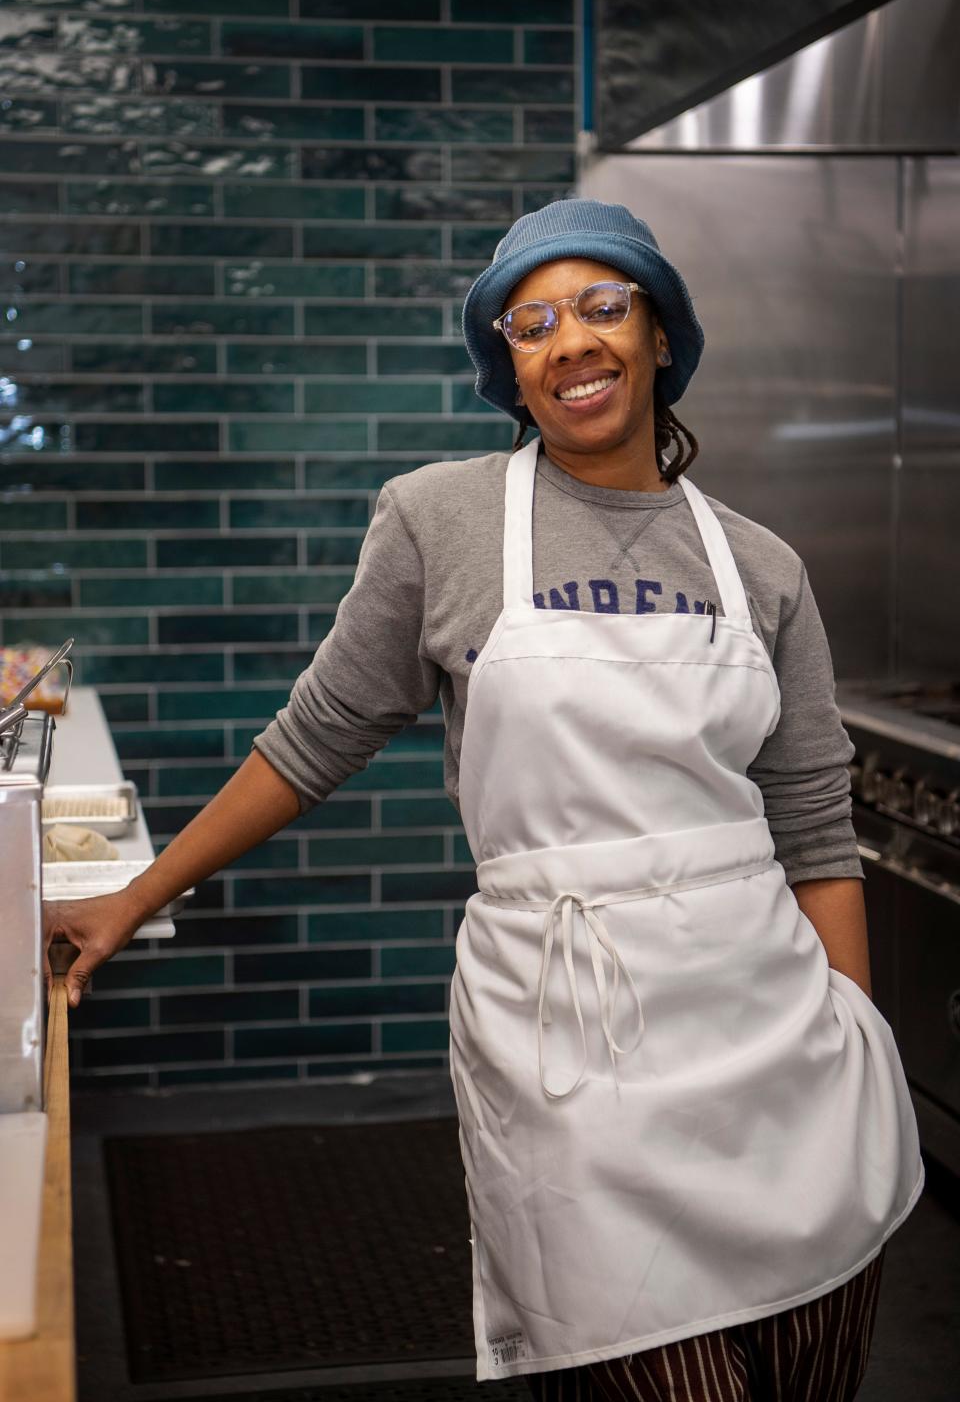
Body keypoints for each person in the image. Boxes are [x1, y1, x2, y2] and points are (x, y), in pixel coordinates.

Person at [44, 200, 924, 1401]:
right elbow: (315, 740)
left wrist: (854, 1043)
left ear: (660, 334)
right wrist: (131, 897)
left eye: (604, 306)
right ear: (508, 365)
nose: (572, 342)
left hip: (778, 1050)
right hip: (573, 1050)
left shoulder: (763, 567)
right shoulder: (441, 520)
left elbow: (819, 834)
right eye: (533, 323)